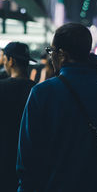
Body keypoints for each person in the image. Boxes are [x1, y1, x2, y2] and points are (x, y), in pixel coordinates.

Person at [16, 23, 97, 192]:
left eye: (52, 51)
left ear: (62, 55)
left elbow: (28, 160)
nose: (51, 57)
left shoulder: (41, 94)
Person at [0, 42, 36, 192]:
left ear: (11, 61)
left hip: (3, 155)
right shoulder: (36, 90)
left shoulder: (1, 87)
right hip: (30, 159)